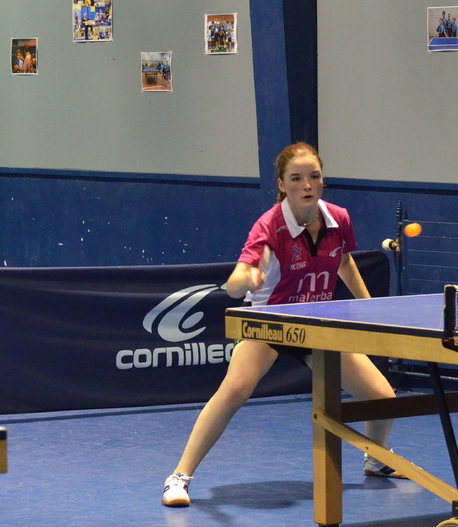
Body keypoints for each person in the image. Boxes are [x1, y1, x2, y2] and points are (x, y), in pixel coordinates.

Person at [162, 142, 404, 508]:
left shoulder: (338, 218)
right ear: (281, 184)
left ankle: (375, 459)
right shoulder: (269, 226)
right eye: (296, 178)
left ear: (322, 180)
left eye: (314, 176)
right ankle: (178, 477)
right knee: (235, 390)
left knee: (382, 398)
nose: (306, 185)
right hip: (269, 323)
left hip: (316, 324)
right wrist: (247, 278)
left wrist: (369, 303)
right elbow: (234, 284)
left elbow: (343, 261)